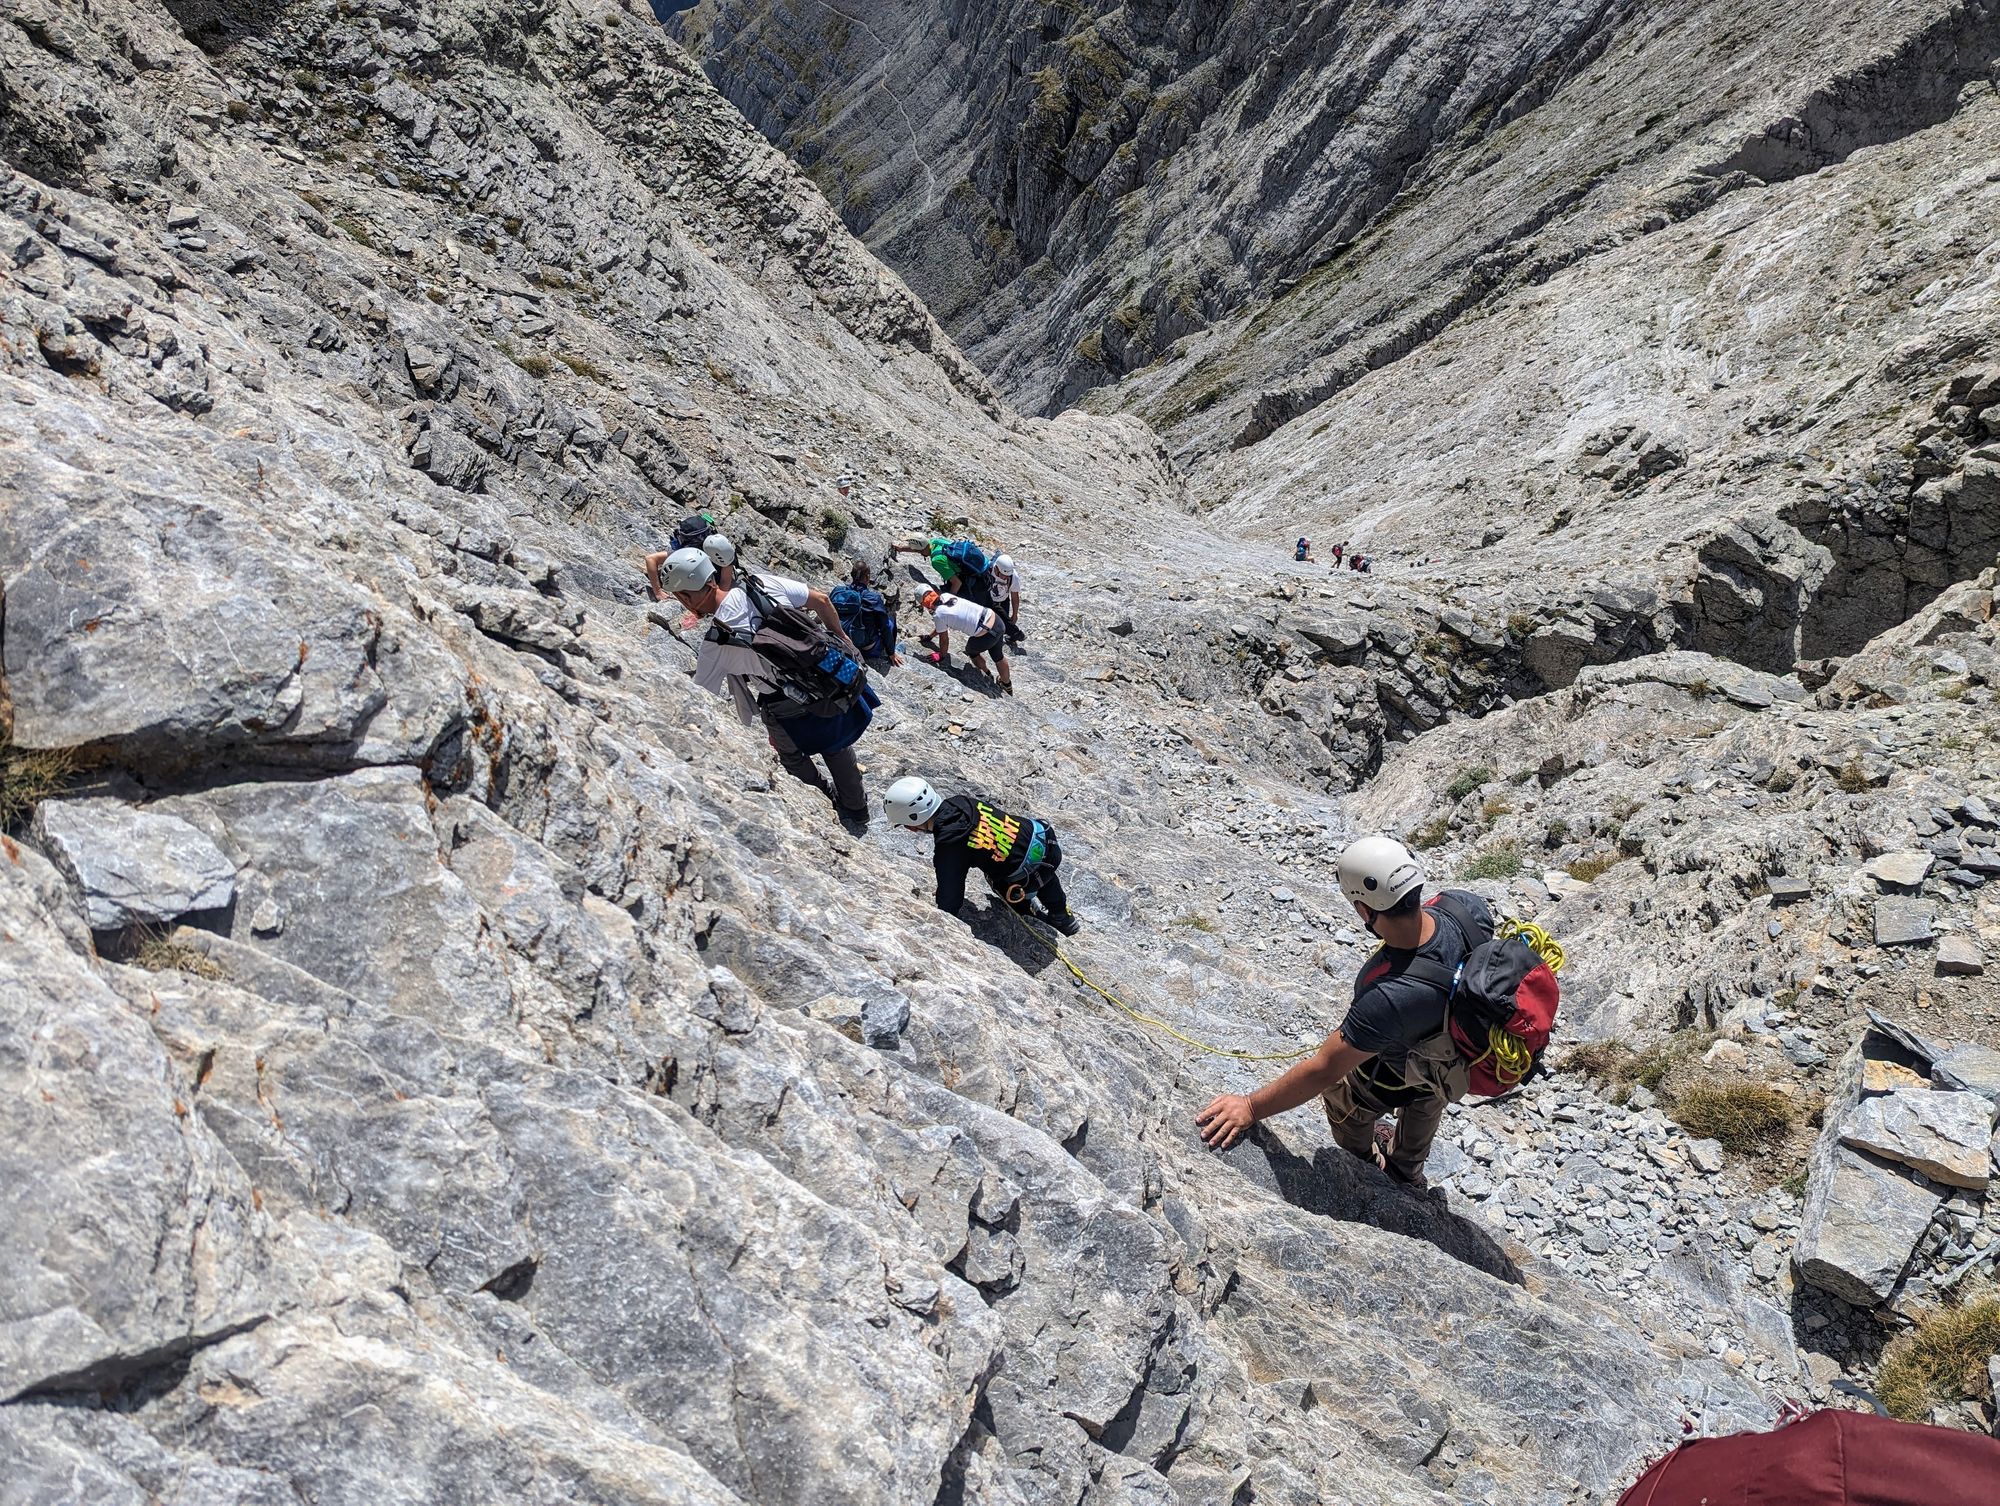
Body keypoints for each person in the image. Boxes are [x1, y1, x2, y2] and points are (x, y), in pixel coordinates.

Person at [1193, 836, 1490, 1190]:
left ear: (1365, 910)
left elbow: (1323, 1070)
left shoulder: (1387, 993)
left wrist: (1251, 1107)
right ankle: (1407, 1170)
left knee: (1341, 1091)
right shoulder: (1466, 908)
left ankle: (1365, 1161)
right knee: (1427, 1096)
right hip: (1449, 1060)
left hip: (1388, 1076)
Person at [660, 547, 875, 833]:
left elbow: (699, 698)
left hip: (784, 705)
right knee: (837, 746)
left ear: (686, 596)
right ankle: (857, 809)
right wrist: (843, 637)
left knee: (792, 757)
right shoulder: (760, 584)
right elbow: (821, 600)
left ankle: (823, 801)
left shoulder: (715, 645)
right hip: (824, 676)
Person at [883, 776, 1080, 935]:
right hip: (1044, 840)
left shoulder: (950, 841)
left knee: (1001, 881)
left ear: (913, 821)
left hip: (1026, 872)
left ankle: (1030, 914)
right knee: (1037, 868)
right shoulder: (960, 802)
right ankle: (1062, 915)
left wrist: (942, 914)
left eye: (906, 825)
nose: (909, 830)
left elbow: (950, 899)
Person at [919, 587, 1011, 694]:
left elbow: (944, 640)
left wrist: (941, 655)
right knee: (998, 656)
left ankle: (987, 674)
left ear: (924, 604)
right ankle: (1007, 685)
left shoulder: (938, 614)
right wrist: (930, 637)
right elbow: (942, 626)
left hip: (986, 634)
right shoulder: (947, 596)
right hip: (996, 620)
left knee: (971, 651)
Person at [832, 561, 902, 666]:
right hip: (866, 649)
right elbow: (885, 628)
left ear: (852, 574)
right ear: (867, 577)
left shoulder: (838, 591)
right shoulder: (872, 598)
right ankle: (892, 652)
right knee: (890, 619)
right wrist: (891, 652)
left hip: (839, 639)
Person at [645, 530, 736, 599]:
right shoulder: (688, 554)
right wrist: (658, 592)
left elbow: (724, 584)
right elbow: (650, 559)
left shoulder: (724, 553)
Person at [988, 554, 1026, 646]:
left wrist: (1015, 614)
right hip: (988, 600)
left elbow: (1014, 596)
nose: (1005, 578)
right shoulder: (987, 570)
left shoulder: (1013, 576)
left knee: (1003, 625)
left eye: (1007, 576)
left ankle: (1011, 636)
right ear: (996, 568)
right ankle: (1015, 634)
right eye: (1003, 575)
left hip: (1003, 601)